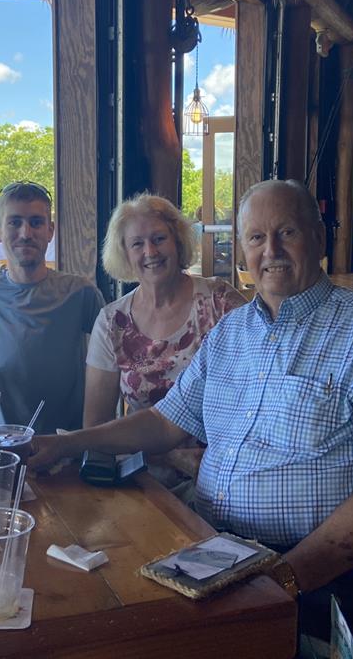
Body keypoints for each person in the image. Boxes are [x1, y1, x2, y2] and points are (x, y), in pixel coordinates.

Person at [29, 179, 353, 650]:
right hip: (208, 549)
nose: (270, 250)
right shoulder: (231, 331)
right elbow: (166, 421)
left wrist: (289, 576)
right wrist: (66, 443)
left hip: (314, 573)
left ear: (318, 237)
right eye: (255, 238)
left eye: (286, 233)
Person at [84, 193, 244, 496]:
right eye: (137, 244)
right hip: (144, 480)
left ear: (178, 242)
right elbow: (96, 426)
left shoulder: (220, 301)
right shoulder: (111, 322)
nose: (150, 251)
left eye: (159, 238)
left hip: (225, 475)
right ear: (125, 254)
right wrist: (169, 456)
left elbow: (258, 394)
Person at [0, 181, 104, 433]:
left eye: (36, 222)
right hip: (1, 438)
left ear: (50, 231)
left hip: (69, 440)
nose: (26, 233)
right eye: (14, 222)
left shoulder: (80, 293)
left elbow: (114, 357)